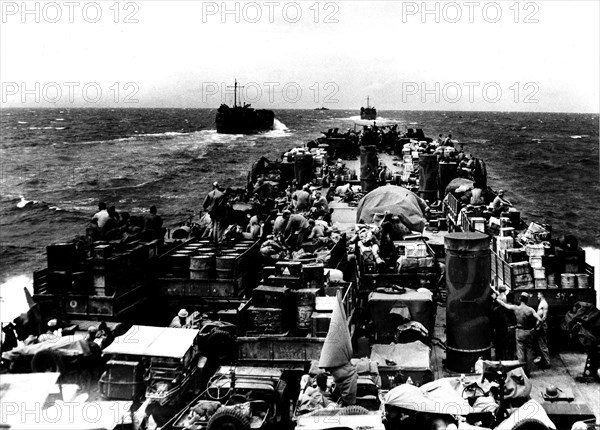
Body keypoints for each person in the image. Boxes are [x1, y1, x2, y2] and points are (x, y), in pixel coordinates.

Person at [495, 292, 543, 376]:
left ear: (520, 299)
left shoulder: (516, 308)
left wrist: (496, 298)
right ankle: (528, 372)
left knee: (520, 353)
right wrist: (535, 328)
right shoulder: (530, 310)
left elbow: (505, 305)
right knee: (529, 352)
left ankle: (522, 373)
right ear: (527, 300)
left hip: (519, 331)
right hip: (528, 331)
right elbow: (540, 319)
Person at [534, 292, 551, 369]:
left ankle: (547, 362)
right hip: (540, 326)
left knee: (543, 344)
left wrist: (539, 326)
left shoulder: (544, 304)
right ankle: (544, 361)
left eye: (538, 294)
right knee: (541, 344)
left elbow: (544, 317)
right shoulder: (541, 303)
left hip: (542, 327)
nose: (537, 296)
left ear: (541, 295)